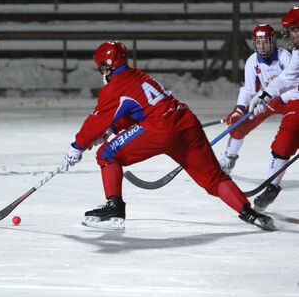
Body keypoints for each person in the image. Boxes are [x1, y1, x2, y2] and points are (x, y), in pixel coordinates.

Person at [62, 40, 275, 231]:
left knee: (107, 155)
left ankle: (114, 207)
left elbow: (96, 120)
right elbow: (138, 109)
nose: (102, 71)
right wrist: (112, 129)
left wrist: (77, 147)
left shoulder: (115, 86)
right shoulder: (138, 76)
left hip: (161, 129)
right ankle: (250, 213)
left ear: (107, 65)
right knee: (213, 178)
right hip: (187, 124)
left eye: (102, 66)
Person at [218, 24, 291, 174]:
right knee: (240, 124)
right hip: (265, 100)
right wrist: (239, 109)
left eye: (266, 41)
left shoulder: (285, 57)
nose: (262, 46)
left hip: (288, 99)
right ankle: (229, 158)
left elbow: (293, 84)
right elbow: (249, 90)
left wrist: (278, 99)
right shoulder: (252, 61)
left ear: (273, 42)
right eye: (258, 42)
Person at [248, 6, 299, 211]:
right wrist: (265, 93)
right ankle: (272, 186)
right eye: (291, 31)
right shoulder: (297, 51)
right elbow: (289, 78)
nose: (292, 35)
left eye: (296, 29)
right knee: (286, 135)